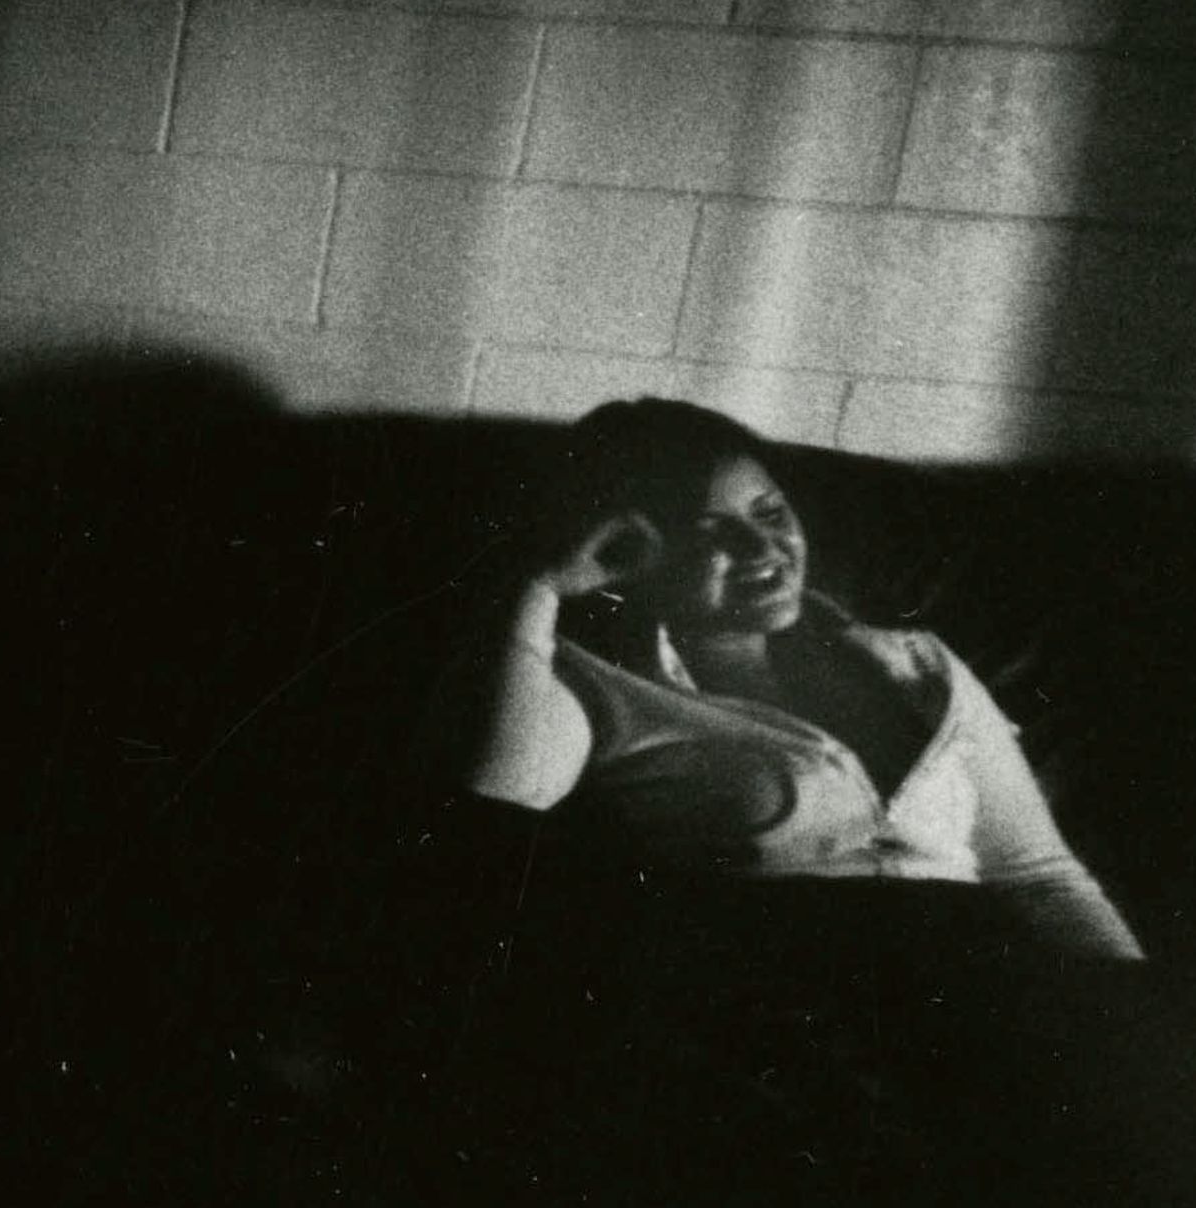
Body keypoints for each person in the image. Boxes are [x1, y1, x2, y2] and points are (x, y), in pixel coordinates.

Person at [447, 395, 1139, 961]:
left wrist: (1126, 1011)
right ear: (629, 554)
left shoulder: (919, 665)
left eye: (771, 513)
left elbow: (1042, 877)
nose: (762, 549)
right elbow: (499, 797)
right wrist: (540, 583)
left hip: (989, 990)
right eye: (711, 533)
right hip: (796, 1015)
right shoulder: (593, 686)